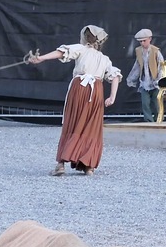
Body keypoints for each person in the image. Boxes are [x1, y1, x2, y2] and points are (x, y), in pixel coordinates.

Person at [29, 25, 122, 176]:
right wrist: (112, 96)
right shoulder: (104, 59)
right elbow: (115, 76)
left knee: (73, 122)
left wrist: (41, 58)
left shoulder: (82, 49)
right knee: (91, 126)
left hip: (80, 88)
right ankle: (88, 166)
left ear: (85, 37)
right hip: (96, 91)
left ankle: (61, 164)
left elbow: (62, 52)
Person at [126, 28, 164, 122]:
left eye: (144, 40)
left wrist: (160, 79)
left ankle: (158, 119)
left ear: (150, 39)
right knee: (145, 103)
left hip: (155, 81)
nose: (142, 43)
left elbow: (161, 66)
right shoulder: (139, 51)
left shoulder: (155, 51)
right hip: (144, 82)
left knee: (156, 102)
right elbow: (137, 65)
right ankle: (149, 121)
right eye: (140, 41)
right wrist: (132, 78)